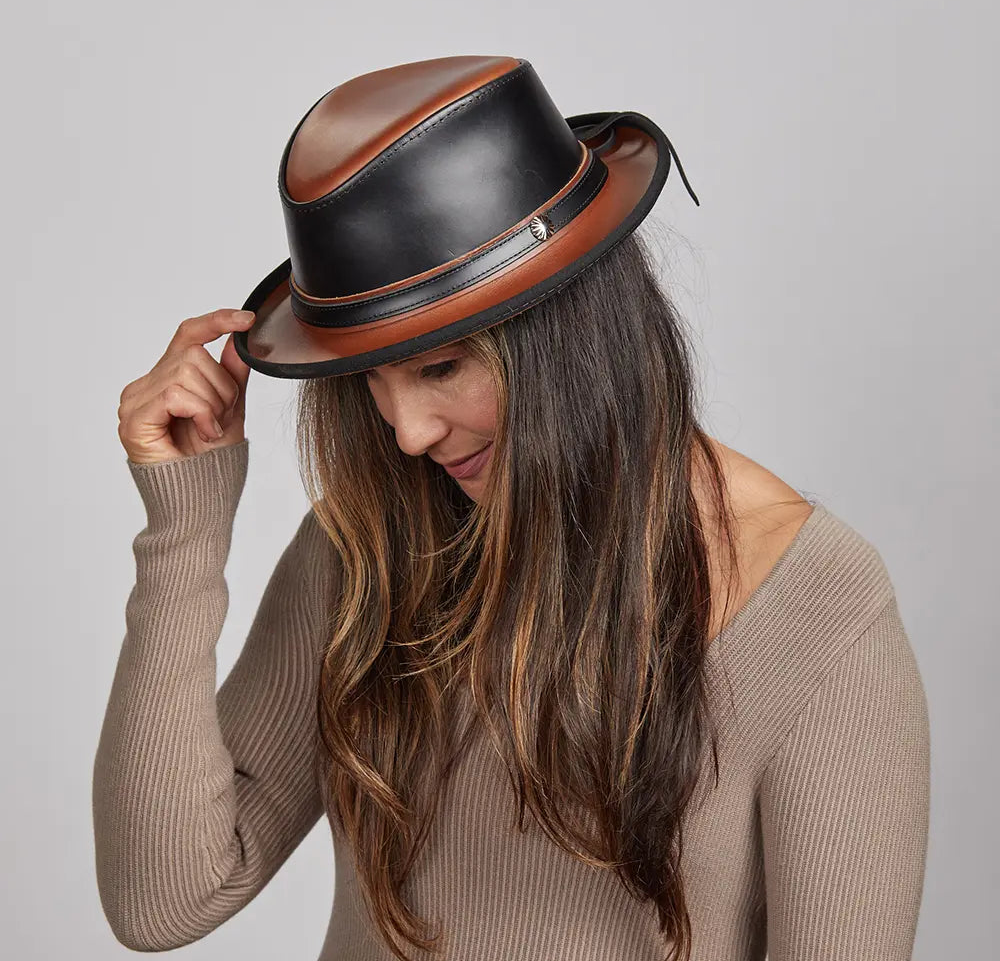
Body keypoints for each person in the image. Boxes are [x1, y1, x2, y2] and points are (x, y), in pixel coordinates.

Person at [93, 56, 930, 961]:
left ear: (571, 332)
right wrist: (185, 527)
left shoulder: (815, 604)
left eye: (441, 367)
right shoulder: (370, 548)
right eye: (370, 381)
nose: (407, 432)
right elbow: (165, 901)